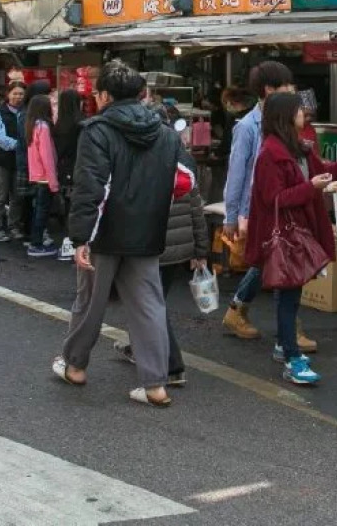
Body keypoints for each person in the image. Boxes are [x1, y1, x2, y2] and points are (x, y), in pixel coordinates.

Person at [55, 62, 195, 407]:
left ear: (102, 96)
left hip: (104, 232)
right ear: (142, 95)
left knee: (90, 301)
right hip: (148, 231)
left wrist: (80, 237)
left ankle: (75, 365)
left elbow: (91, 186)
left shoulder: (96, 130)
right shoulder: (165, 133)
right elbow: (186, 179)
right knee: (149, 305)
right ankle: (155, 384)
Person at [244, 91, 337, 385]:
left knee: (291, 295)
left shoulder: (300, 148)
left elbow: (323, 174)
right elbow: (274, 198)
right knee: (287, 296)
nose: (305, 114)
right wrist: (310, 187)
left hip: (300, 230)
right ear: (286, 117)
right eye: (299, 111)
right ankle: (290, 357)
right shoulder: (270, 155)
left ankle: (284, 346)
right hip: (285, 236)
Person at [114, 87, 210, 387]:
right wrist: (200, 248)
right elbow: (196, 207)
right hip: (179, 250)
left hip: (152, 245)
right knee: (154, 301)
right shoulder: (183, 160)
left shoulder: (146, 162)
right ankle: (139, 347)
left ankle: (172, 366)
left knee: (153, 304)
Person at [220, 61, 304, 344]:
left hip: (280, 206)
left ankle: (239, 310)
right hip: (256, 209)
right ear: (269, 90)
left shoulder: (286, 121)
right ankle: (288, 332)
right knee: (275, 260)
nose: (292, 90)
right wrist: (232, 217)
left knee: (271, 259)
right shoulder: (247, 127)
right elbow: (236, 173)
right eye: (285, 86)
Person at [0, 82, 27, 243]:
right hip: (1, 160)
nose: (18, 97)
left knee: (17, 196)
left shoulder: (25, 112)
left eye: (21, 94)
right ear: (8, 95)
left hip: (20, 161)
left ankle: (14, 226)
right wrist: (18, 145)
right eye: (15, 94)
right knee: (0, 195)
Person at [23, 93, 62, 258]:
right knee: (42, 211)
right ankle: (36, 244)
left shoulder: (32, 125)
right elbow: (47, 157)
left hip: (37, 174)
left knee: (38, 209)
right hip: (45, 176)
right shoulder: (44, 127)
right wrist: (54, 182)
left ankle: (34, 240)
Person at [52, 88, 84, 262]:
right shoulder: (82, 122)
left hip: (65, 169)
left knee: (68, 204)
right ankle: (77, 239)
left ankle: (69, 238)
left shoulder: (60, 125)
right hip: (80, 168)